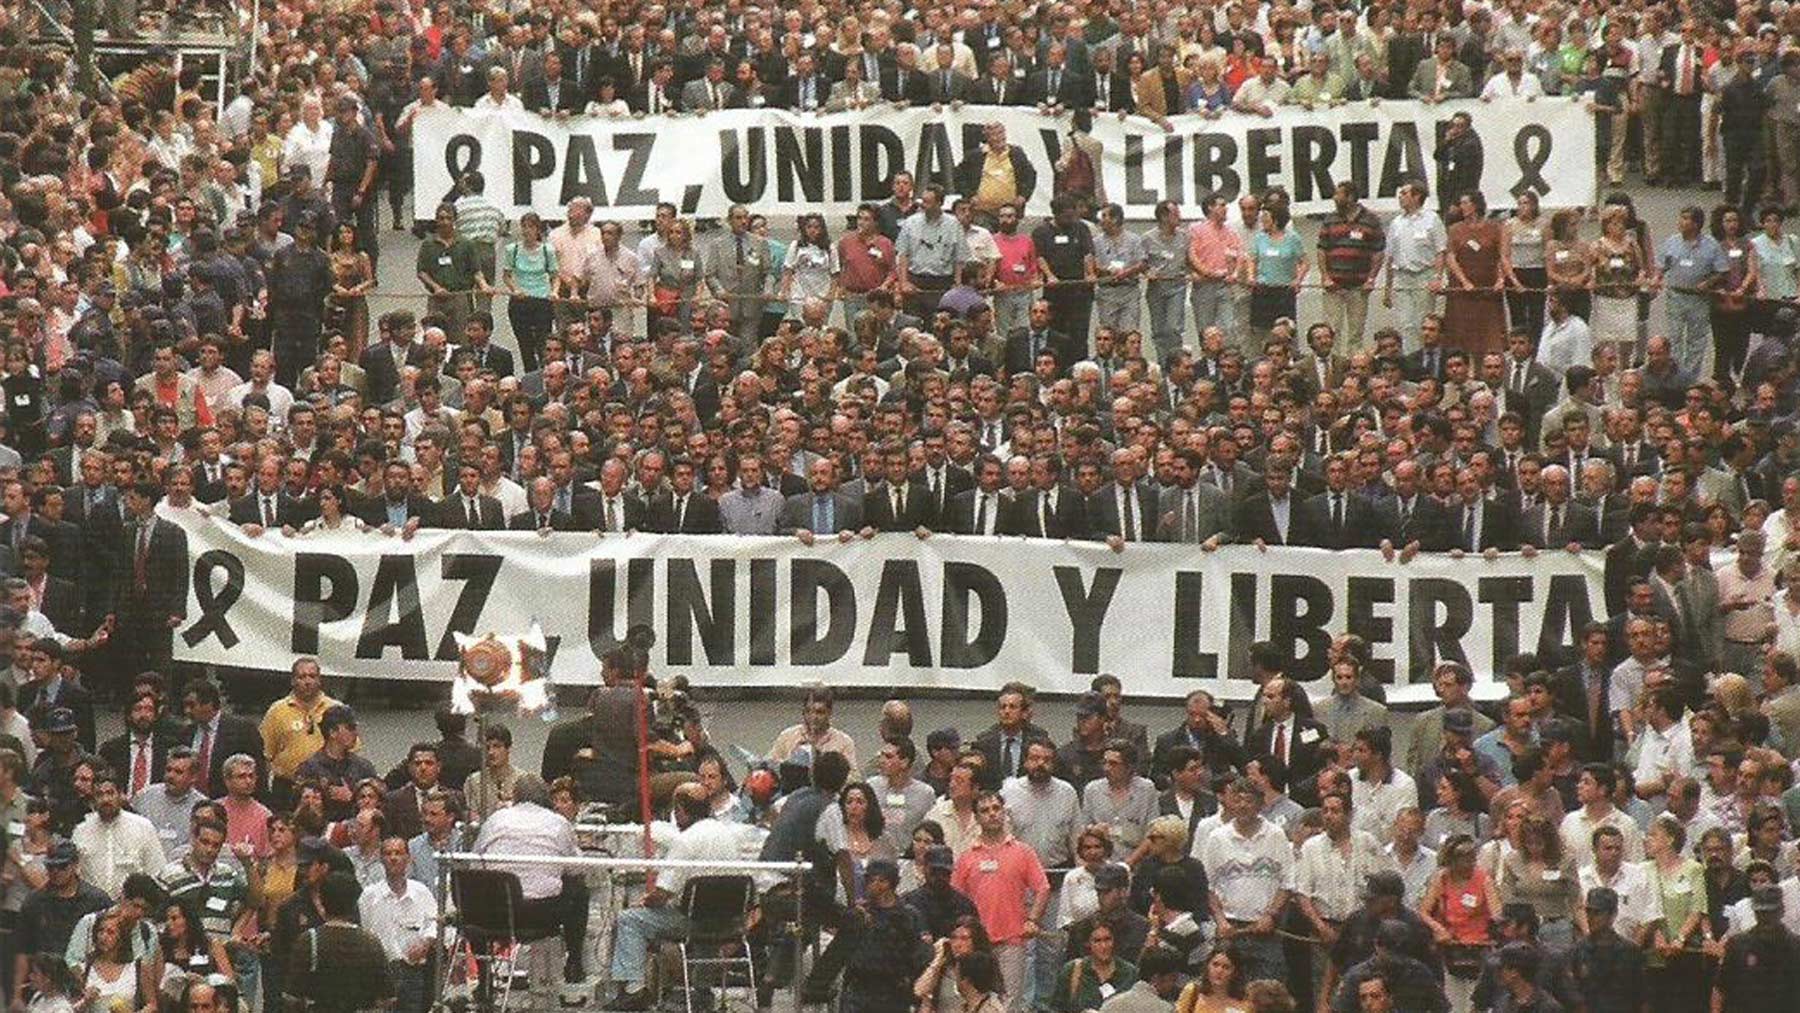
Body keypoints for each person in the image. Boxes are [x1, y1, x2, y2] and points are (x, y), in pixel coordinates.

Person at [281, 873, 393, 1013]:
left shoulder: (309, 941)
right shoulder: (370, 942)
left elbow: (292, 997)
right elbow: (387, 997)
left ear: (322, 901)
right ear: (354, 903)